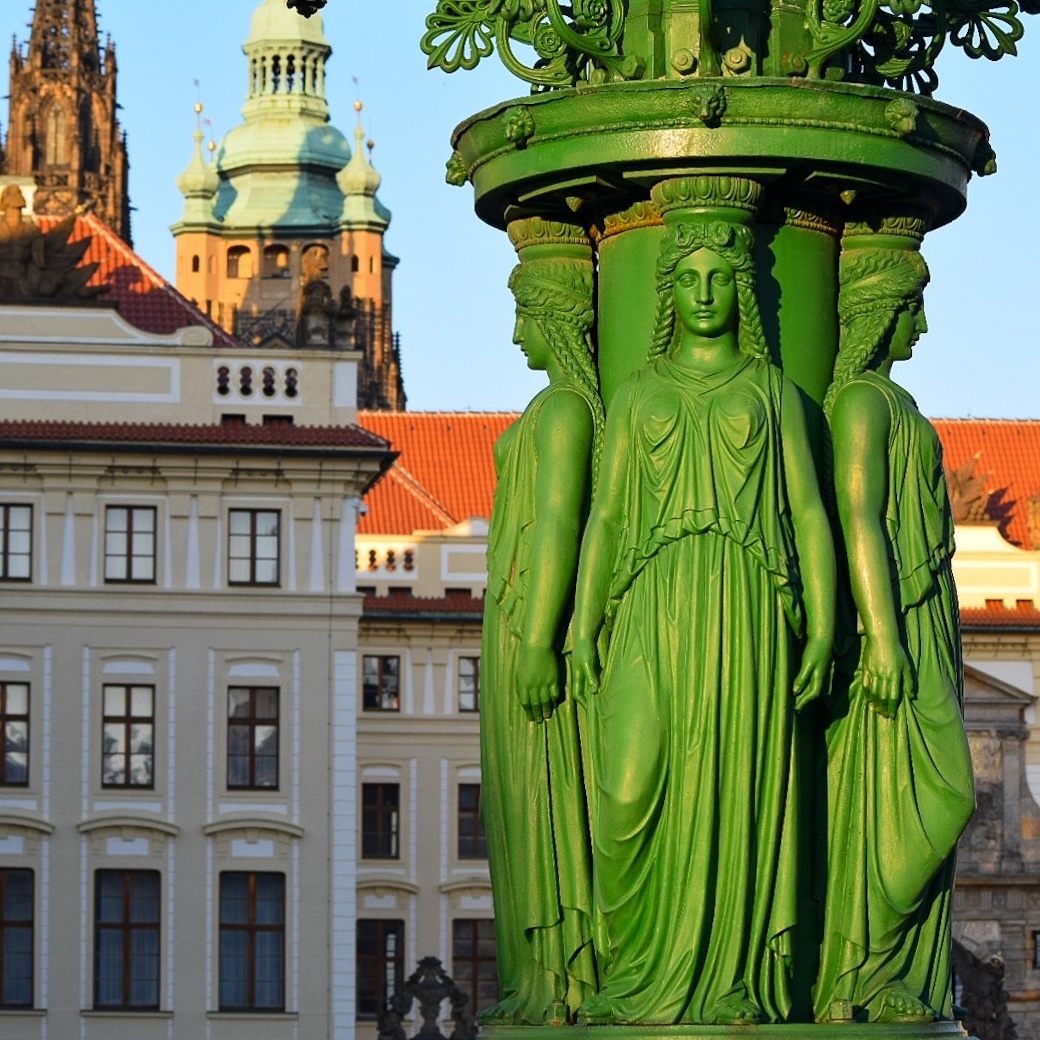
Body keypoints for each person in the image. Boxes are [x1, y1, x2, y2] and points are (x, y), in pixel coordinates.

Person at [570, 218, 835, 1025]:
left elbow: (811, 514)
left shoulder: (774, 394)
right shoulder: (638, 394)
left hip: (747, 606)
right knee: (626, 788)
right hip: (649, 602)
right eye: (690, 280)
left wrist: (822, 625)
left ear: (742, 292)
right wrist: (584, 623)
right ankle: (638, 975)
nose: (707, 293)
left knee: (735, 792)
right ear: (670, 294)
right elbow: (608, 519)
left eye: (722, 278)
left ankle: (730, 982)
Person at [814, 243, 975, 1023]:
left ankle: (898, 977)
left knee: (929, 797)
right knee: (937, 795)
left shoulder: (893, 400)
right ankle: (863, 967)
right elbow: (859, 518)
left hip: (929, 613)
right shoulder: (859, 403)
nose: (921, 319)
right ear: (882, 311)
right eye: (911, 304)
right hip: (897, 619)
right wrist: (880, 636)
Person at [480, 252, 604, 1024]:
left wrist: (535, 641)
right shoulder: (552, 409)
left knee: (542, 810)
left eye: (526, 310)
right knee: (517, 814)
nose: (518, 327)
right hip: (512, 617)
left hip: (531, 623)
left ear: (552, 315)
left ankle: (559, 978)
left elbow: (559, 520)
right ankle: (540, 977)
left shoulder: (562, 412)